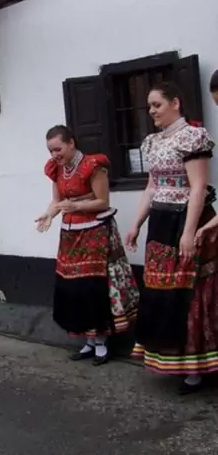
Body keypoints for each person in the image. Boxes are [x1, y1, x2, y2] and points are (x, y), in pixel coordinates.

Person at [125, 81, 218, 395]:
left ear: (175, 103)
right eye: (149, 106)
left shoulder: (192, 137)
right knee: (162, 290)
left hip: (186, 219)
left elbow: (198, 188)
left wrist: (189, 232)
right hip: (161, 223)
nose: (151, 111)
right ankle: (176, 361)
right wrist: (137, 223)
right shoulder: (152, 142)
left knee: (192, 291)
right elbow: (152, 187)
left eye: (157, 105)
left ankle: (196, 368)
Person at [36, 125, 139, 366]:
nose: (54, 156)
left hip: (95, 233)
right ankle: (88, 341)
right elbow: (57, 201)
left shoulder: (93, 165)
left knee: (93, 286)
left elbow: (103, 201)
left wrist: (76, 207)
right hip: (70, 236)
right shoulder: (57, 170)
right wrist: (49, 215)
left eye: (58, 149)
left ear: (71, 143)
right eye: (51, 151)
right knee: (74, 287)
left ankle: (102, 341)